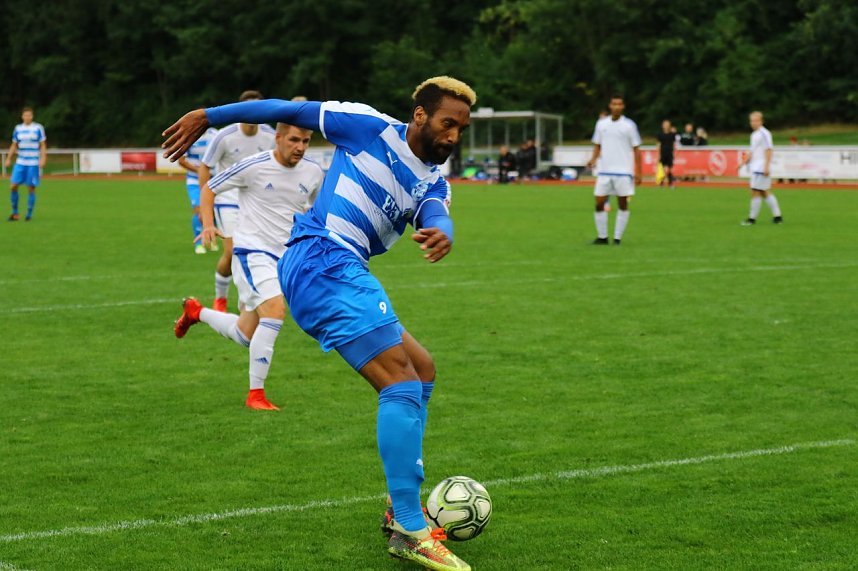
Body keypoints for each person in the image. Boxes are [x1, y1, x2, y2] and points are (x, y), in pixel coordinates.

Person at [163, 76, 476, 571]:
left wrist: (444, 232)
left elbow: (436, 210)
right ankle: (412, 528)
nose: (454, 136)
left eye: (461, 128)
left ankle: (402, 509)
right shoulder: (368, 127)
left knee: (423, 368)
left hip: (341, 268)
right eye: (447, 124)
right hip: (322, 259)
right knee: (400, 382)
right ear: (421, 116)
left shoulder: (434, 179)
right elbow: (289, 109)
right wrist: (210, 114)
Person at [175, 123, 324, 410]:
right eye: (294, 140)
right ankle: (256, 395)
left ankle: (197, 312)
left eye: (305, 141)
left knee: (245, 334)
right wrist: (207, 224)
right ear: (278, 138)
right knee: (275, 310)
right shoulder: (253, 166)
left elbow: (315, 212)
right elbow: (209, 188)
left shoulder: (314, 171)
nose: (300, 147)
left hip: (286, 258)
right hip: (252, 251)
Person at [198, 90, 276, 312]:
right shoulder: (224, 136)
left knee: (259, 250)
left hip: (257, 203)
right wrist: (207, 208)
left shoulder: (270, 136)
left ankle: (249, 300)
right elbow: (205, 167)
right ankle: (221, 298)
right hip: (228, 199)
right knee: (233, 252)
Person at [586, 94, 642, 245]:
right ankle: (602, 237)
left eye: (619, 104)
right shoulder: (601, 124)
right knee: (599, 202)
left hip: (623, 172)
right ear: (610, 106)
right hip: (604, 171)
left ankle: (617, 237)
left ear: (623, 107)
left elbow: (636, 149)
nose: (616, 107)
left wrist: (639, 172)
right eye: (614, 104)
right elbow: (597, 144)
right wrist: (593, 159)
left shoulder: (629, 125)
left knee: (622, 204)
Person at [178, 127, 218, 253]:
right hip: (194, 180)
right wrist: (200, 171)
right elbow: (181, 160)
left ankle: (211, 241)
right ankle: (199, 243)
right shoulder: (188, 135)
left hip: (213, 180)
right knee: (198, 209)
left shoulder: (215, 134)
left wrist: (207, 173)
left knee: (213, 210)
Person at [739, 111, 782, 225]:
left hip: (761, 168)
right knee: (764, 192)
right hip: (756, 167)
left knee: (755, 192)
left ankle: (752, 219)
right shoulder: (754, 135)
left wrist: (766, 166)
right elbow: (752, 152)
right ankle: (778, 217)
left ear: (761, 121)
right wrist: (742, 163)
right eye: (751, 120)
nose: (753, 123)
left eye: (755, 120)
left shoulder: (764, 133)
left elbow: (769, 149)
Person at [5, 107, 46, 221]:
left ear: (32, 116)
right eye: (25, 115)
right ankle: (15, 213)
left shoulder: (38, 128)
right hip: (20, 162)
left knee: (31, 188)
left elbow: (42, 144)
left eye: (29, 115)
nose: (27, 117)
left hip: (33, 163)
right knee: (13, 186)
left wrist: (43, 159)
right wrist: (8, 158)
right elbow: (14, 145)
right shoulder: (18, 128)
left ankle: (29, 214)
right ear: (22, 116)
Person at [655, 119, 676, 188]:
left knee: (670, 169)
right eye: (665, 124)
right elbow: (658, 145)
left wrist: (674, 153)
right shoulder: (660, 134)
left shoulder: (672, 134)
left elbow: (674, 144)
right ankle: (661, 184)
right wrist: (658, 154)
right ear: (662, 126)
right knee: (661, 169)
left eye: (667, 124)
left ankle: (670, 184)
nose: (666, 126)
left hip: (669, 153)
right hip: (662, 153)